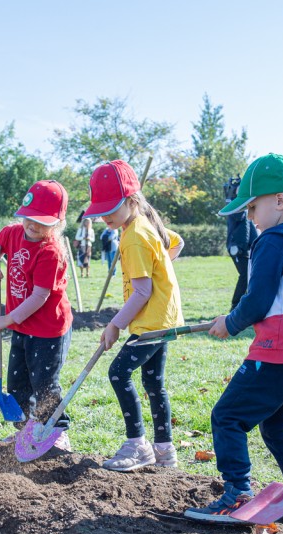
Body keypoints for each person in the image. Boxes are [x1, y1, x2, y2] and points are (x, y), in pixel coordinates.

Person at [184, 154, 283, 524]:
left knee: (227, 416)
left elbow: (258, 300)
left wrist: (231, 323)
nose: (251, 217)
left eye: (253, 207)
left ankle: (237, 494)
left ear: (279, 200)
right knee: (276, 425)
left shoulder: (272, 241)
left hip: (279, 352)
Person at [83, 160, 185, 471]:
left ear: (130, 201)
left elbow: (141, 292)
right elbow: (177, 242)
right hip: (162, 319)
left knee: (118, 373)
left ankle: (138, 445)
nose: (104, 216)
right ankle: (164, 450)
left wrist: (115, 325)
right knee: (153, 382)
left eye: (110, 208)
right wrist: (162, 269)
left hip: (151, 323)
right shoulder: (143, 225)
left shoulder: (134, 236)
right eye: (100, 210)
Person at [0, 180, 74, 450]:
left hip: (48, 329)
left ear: (57, 224)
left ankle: (57, 431)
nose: (32, 225)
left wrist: (6, 319)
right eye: (29, 218)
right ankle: (27, 429)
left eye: (41, 221)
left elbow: (39, 297)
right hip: (22, 326)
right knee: (17, 382)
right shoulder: (13, 233)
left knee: (45, 384)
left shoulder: (51, 252)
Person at [223, 175, 259, 310]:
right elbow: (239, 216)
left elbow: (250, 228)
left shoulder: (245, 207)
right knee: (244, 275)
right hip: (236, 247)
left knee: (249, 275)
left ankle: (243, 305)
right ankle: (235, 305)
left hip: (245, 247)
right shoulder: (233, 206)